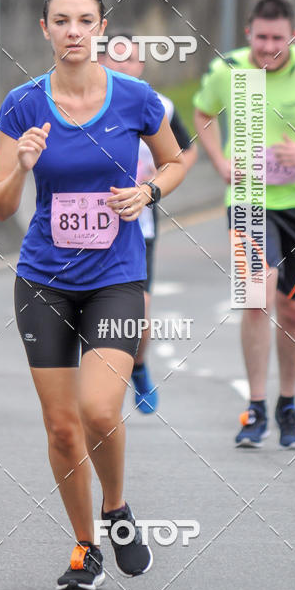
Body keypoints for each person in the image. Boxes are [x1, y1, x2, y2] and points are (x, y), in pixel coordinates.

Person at [0, 0, 186, 590]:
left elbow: (178, 160)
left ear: (101, 28)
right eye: (61, 21)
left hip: (117, 276)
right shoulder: (23, 104)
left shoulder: (134, 98)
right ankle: (84, 548)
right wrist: (22, 168)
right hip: (44, 278)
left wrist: (148, 190)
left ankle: (116, 507)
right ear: (44, 30)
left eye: (84, 20)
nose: (73, 31)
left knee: (101, 411)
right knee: (61, 426)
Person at [193, 0, 295, 449]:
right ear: (248, 34)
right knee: (257, 296)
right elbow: (202, 111)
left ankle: (287, 404)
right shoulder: (231, 71)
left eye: (278, 38)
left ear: (292, 36)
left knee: (292, 308)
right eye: (261, 38)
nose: (268, 47)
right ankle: (255, 408)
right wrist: (218, 161)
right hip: (249, 198)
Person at [99, 36, 197, 414]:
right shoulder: (84, 104)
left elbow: (184, 152)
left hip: (139, 223)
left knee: (138, 307)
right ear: (101, 61)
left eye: (132, 59)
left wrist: (155, 185)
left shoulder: (159, 105)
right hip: (86, 224)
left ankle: (138, 368)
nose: (124, 65)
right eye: (116, 58)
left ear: (142, 66)